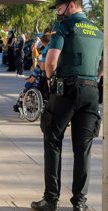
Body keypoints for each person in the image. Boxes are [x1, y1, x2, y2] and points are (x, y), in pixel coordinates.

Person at [31, 0, 104, 210]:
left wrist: (50, 79)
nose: (58, 12)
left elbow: (51, 61)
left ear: (71, 5)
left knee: (52, 139)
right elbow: (102, 65)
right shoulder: (98, 32)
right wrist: (92, 80)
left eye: (59, 8)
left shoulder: (63, 27)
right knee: (84, 148)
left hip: (66, 90)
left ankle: (51, 199)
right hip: (91, 91)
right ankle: (79, 203)